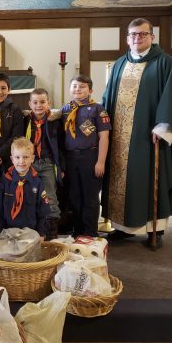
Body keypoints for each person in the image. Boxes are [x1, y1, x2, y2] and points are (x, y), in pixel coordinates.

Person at [102, 18, 172, 249]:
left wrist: (163, 126)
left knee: (150, 180)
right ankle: (121, 228)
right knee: (119, 182)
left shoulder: (164, 63)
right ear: (127, 39)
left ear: (152, 37)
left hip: (148, 137)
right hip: (119, 139)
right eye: (133, 34)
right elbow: (107, 97)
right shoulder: (119, 64)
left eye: (142, 34)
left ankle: (155, 229)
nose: (137, 38)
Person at [61, 75, 111, 237]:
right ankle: (77, 231)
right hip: (70, 158)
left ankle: (90, 233)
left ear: (90, 91)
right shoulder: (65, 109)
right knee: (74, 196)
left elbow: (104, 137)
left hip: (90, 156)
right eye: (74, 86)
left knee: (90, 197)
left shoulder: (98, 109)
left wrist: (101, 162)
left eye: (82, 86)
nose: (78, 89)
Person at [24, 88, 64, 240]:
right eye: (35, 102)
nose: (39, 105)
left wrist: (62, 167)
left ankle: (52, 233)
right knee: (31, 195)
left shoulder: (55, 121)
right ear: (30, 104)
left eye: (42, 102)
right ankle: (34, 230)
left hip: (48, 164)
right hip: (30, 164)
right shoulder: (25, 120)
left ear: (49, 103)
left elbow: (61, 146)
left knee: (50, 197)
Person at [0, 137, 51, 236]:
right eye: (17, 157)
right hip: (7, 233)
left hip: (31, 233)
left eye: (26, 157)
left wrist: (41, 233)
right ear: (12, 159)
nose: (21, 161)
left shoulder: (37, 183)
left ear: (32, 158)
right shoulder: (4, 182)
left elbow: (43, 211)